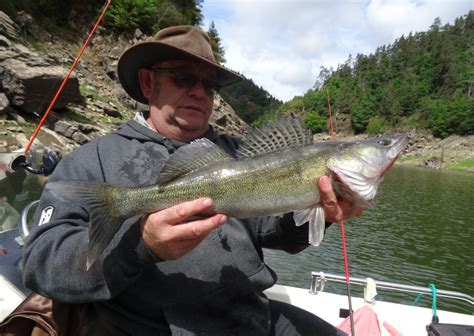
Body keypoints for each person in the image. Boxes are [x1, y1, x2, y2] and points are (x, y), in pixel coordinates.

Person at [21, 26, 363, 335]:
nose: (200, 91)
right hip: (148, 327)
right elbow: (42, 264)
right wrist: (141, 247)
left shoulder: (241, 154)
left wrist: (320, 209)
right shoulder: (90, 161)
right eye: (184, 78)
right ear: (147, 82)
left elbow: (273, 231)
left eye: (210, 85)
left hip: (249, 317)